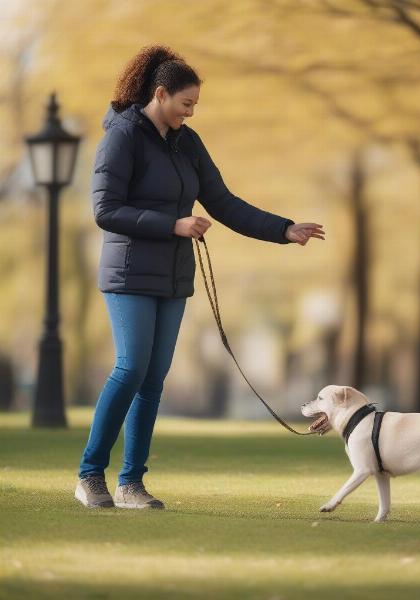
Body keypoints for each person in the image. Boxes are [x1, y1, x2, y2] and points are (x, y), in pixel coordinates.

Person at [75, 44, 325, 509]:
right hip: (128, 272)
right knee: (130, 369)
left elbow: (223, 202)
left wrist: (284, 229)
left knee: (153, 379)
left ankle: (131, 484)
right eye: (185, 104)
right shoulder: (122, 137)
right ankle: (90, 475)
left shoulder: (187, 143)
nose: (190, 113)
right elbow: (105, 210)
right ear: (161, 93)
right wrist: (172, 224)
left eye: (195, 107)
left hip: (172, 277)